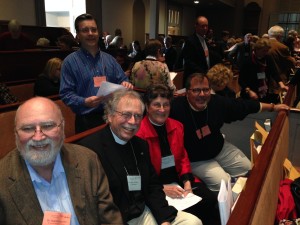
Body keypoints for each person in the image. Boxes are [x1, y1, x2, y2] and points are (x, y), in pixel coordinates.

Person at [78, 89, 202, 225]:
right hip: (115, 219)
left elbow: (152, 186)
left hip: (143, 211)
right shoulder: (89, 150)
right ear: (109, 115)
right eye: (126, 114)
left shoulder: (140, 145)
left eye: (137, 116)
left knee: (193, 222)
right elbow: (91, 204)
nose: (132, 121)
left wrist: (164, 220)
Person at [0, 97, 122, 225]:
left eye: (47, 126)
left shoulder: (88, 160)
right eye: (28, 128)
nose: (38, 137)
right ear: (16, 133)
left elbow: (109, 219)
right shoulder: (3, 179)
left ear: (62, 127)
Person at [169, 73, 290, 191]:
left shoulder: (217, 102)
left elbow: (244, 106)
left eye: (206, 90)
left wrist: (273, 107)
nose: (202, 94)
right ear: (186, 92)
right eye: (196, 90)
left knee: (249, 169)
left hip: (219, 148)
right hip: (196, 159)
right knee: (224, 183)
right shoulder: (175, 108)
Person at [136, 84, 218, 224]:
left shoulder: (177, 126)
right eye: (157, 105)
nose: (162, 110)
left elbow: (183, 157)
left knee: (209, 198)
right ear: (147, 107)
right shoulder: (138, 134)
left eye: (166, 105)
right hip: (156, 188)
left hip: (179, 181)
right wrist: (162, 189)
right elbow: (140, 173)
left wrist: (187, 182)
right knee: (189, 213)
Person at [59, 13, 132, 134]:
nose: (90, 33)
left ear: (98, 33)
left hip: (112, 117)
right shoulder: (69, 62)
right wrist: (84, 101)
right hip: (87, 120)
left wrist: (126, 84)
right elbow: (66, 94)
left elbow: (123, 80)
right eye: (85, 30)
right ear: (77, 36)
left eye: (94, 29)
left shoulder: (110, 60)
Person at [239, 38, 286, 103]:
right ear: (257, 49)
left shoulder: (267, 58)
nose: (266, 53)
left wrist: (281, 84)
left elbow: (274, 72)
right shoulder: (247, 60)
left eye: (267, 50)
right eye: (264, 51)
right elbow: (241, 80)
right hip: (249, 93)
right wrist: (249, 91)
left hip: (263, 91)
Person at [182, 16, 221, 85]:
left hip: (204, 76)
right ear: (196, 26)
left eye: (206, 26)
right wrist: (205, 73)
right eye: (202, 26)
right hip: (194, 78)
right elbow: (189, 62)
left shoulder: (205, 40)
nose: (205, 28)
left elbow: (207, 56)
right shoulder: (190, 41)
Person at [267, 25, 295, 95]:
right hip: (277, 80)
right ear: (279, 36)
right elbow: (291, 63)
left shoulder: (261, 45)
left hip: (262, 79)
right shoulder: (283, 47)